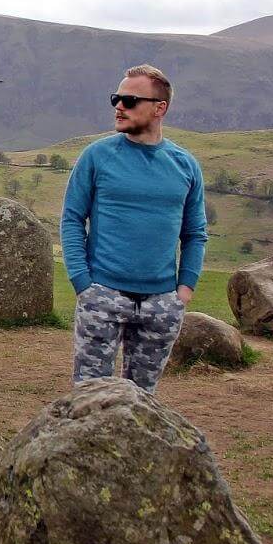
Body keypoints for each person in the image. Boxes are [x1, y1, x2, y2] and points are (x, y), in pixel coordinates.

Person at [59, 64, 208, 391]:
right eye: (116, 98)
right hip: (102, 295)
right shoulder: (96, 157)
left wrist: (183, 291)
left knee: (144, 401)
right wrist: (84, 283)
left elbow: (195, 233)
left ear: (160, 108)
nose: (119, 106)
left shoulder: (185, 165)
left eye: (129, 100)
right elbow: (72, 219)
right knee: (89, 398)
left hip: (162, 302)